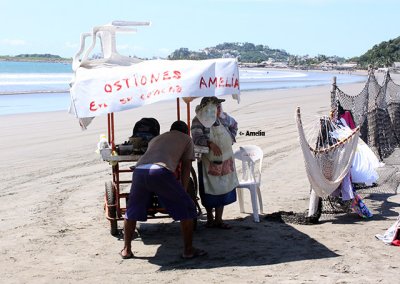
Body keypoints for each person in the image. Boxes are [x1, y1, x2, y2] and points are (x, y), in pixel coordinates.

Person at [120, 121, 207, 260]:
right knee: (188, 208)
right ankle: (188, 250)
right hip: (160, 171)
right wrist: (183, 191)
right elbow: (186, 167)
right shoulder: (186, 139)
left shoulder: (156, 138)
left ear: (171, 129)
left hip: (139, 170)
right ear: (185, 131)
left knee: (132, 211)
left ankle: (126, 250)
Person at [191, 96, 239, 229]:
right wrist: (210, 143)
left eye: (219, 106)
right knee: (209, 190)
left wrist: (230, 139)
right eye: (216, 106)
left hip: (226, 159)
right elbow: (196, 138)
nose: (219, 109)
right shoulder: (198, 121)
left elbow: (234, 125)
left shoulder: (224, 118)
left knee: (223, 189)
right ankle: (210, 219)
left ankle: (219, 219)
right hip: (208, 161)